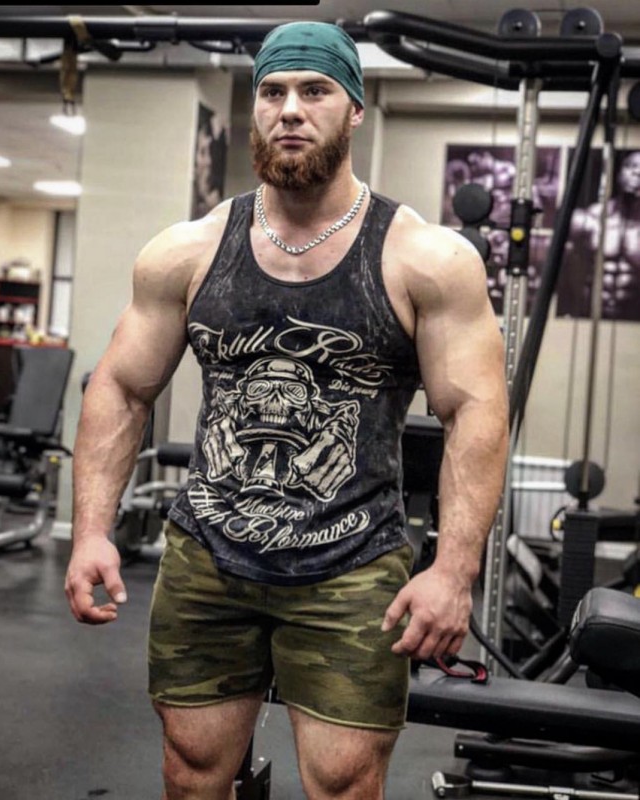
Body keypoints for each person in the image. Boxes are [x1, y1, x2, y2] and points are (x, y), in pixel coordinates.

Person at [65, 21, 509, 800]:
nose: (291, 109)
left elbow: (474, 410)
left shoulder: (425, 258)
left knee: (343, 782)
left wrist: (453, 571)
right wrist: (92, 532)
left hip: (352, 563)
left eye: (315, 91)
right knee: (191, 768)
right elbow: (122, 387)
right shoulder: (188, 250)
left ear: (355, 110)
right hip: (208, 557)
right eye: (272, 92)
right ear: (255, 108)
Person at [558, 149, 640, 321]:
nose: (637, 173)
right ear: (618, 174)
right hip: (590, 314)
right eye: (631, 166)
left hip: (633, 319)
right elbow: (566, 271)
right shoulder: (590, 218)